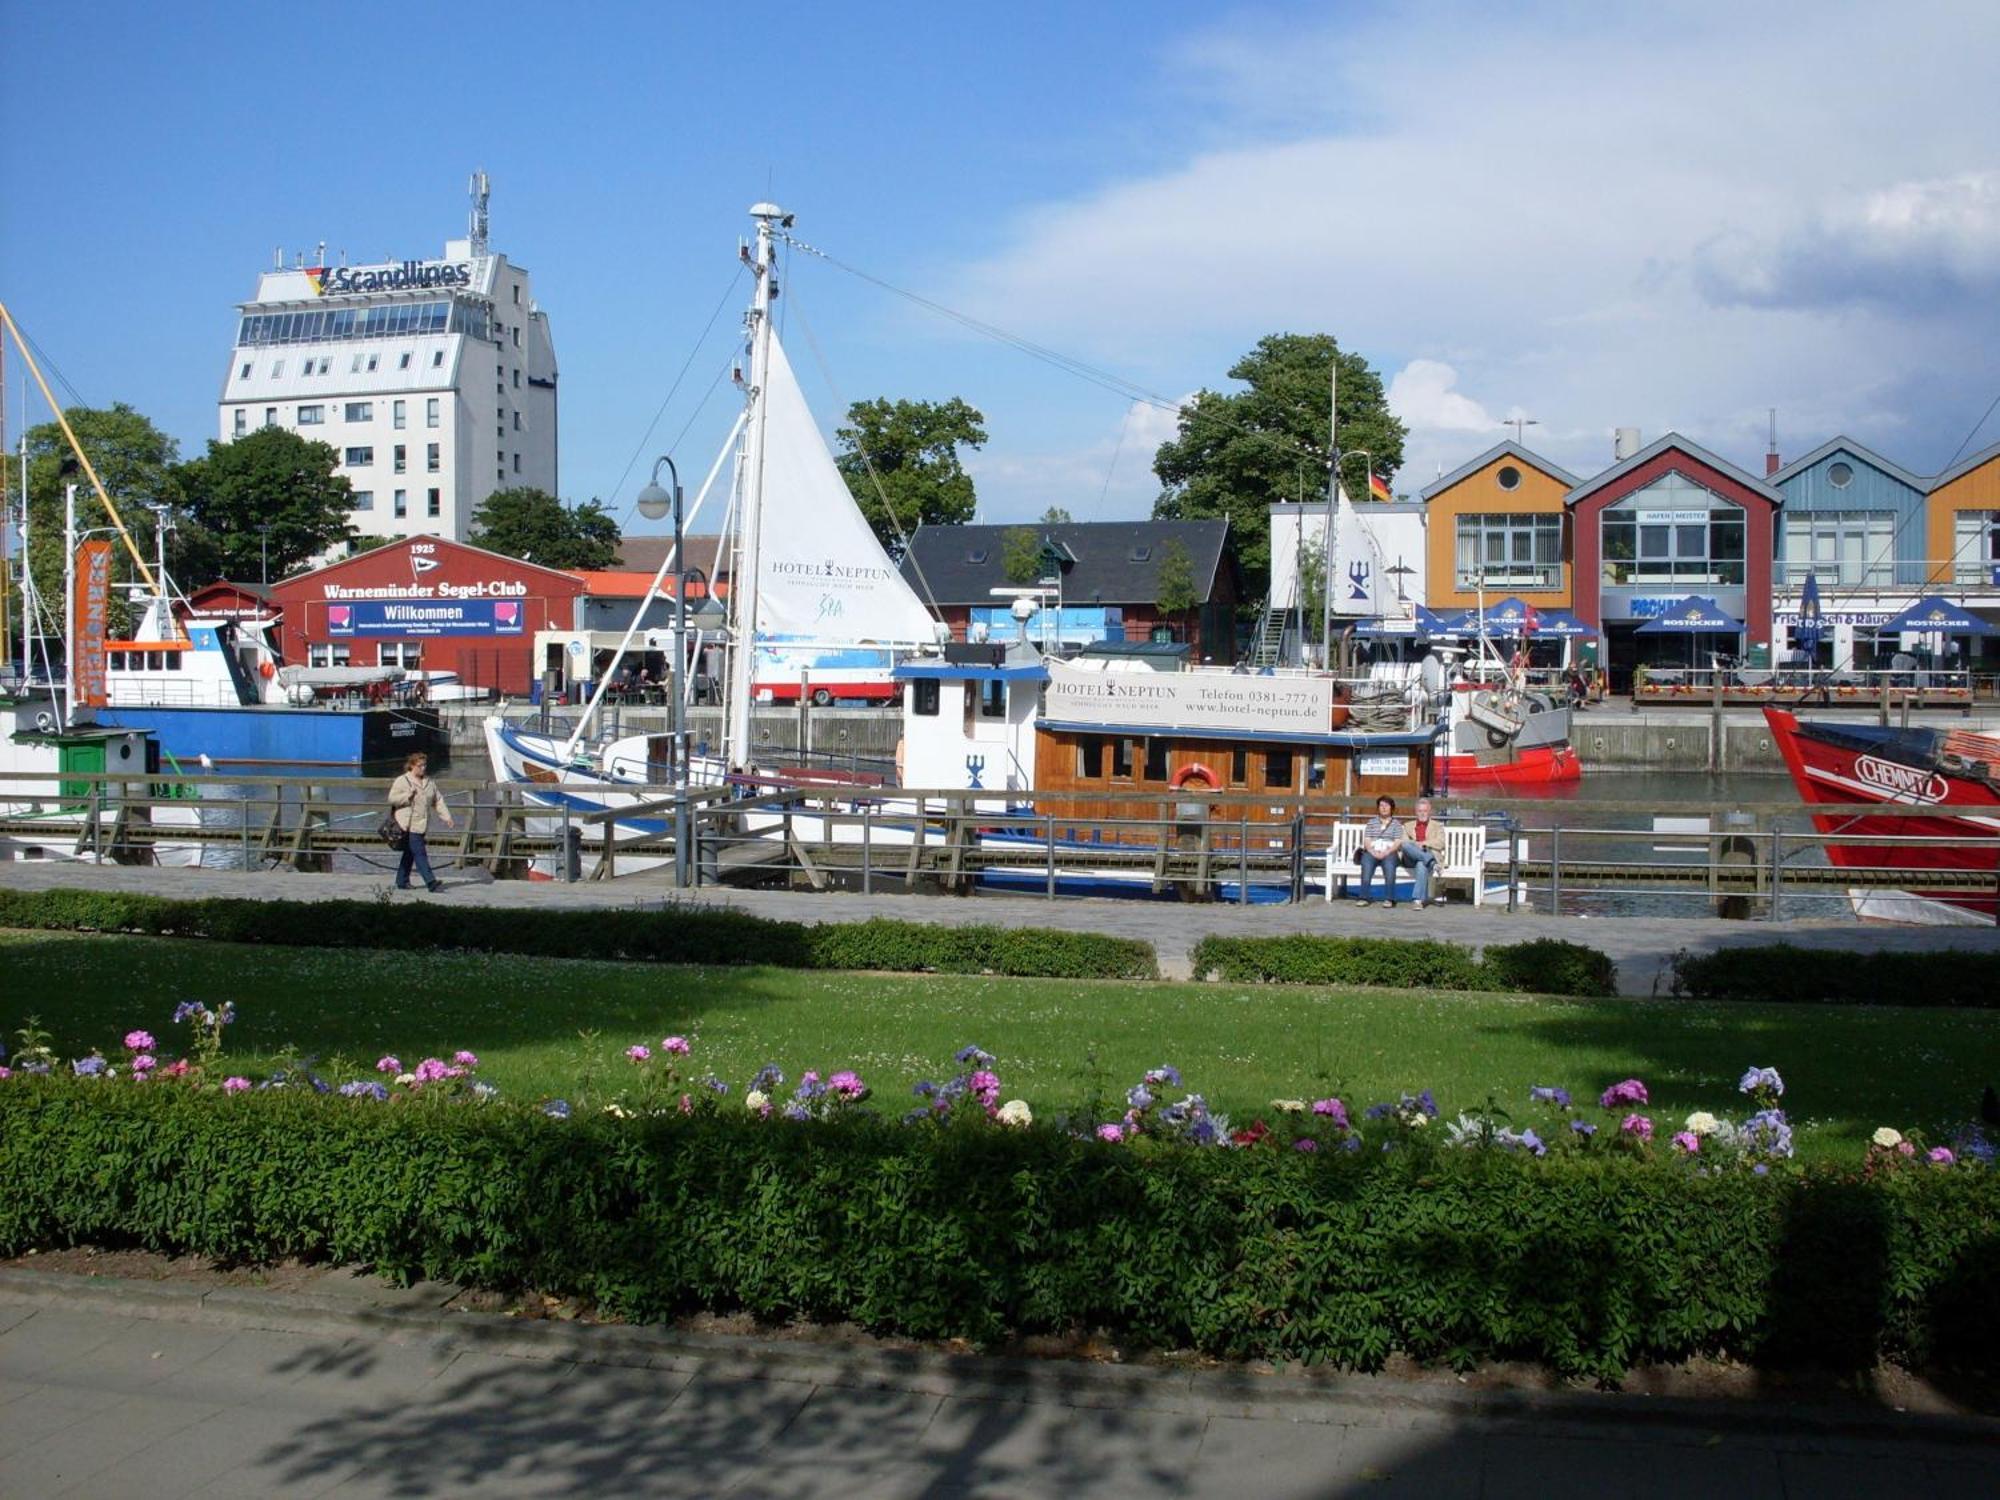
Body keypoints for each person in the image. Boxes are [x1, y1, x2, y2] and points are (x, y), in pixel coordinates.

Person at [388, 751, 454, 893]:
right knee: (420, 853)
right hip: (407, 824)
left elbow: (438, 800)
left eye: (425, 765)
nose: (423, 768)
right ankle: (431, 881)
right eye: (420, 765)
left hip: (422, 823)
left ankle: (401, 880)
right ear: (412, 766)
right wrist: (408, 795)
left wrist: (446, 817)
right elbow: (392, 799)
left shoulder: (429, 782)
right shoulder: (402, 780)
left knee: (410, 853)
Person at [1355, 795, 1405, 908]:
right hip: (1373, 850)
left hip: (1389, 851)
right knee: (1366, 864)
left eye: (1386, 805)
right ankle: (1363, 897)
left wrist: (1386, 852)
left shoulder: (1396, 824)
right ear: (1378, 808)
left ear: (1392, 808)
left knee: (1390, 867)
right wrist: (1373, 852)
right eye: (1381, 805)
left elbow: (1397, 842)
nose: (1383, 808)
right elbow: (1367, 841)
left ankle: (1389, 898)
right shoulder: (1371, 822)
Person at [1398, 796, 1446, 910]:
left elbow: (1441, 843)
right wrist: (1416, 844)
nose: (1422, 814)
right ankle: (1432, 863)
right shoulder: (1407, 825)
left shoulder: (1437, 826)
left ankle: (1417, 900)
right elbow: (1404, 842)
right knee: (1405, 845)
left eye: (1425, 811)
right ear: (1416, 812)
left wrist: (1424, 843)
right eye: (1420, 811)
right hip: (1409, 858)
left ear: (1429, 811)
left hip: (1426, 853)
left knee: (1421, 863)